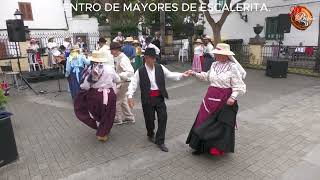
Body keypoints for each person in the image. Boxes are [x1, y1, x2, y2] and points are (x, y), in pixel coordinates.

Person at [186, 43, 246, 156]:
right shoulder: (214, 65)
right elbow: (207, 77)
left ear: (226, 55)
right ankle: (200, 146)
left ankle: (216, 147)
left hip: (224, 98)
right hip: (210, 97)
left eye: (219, 54)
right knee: (202, 120)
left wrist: (233, 97)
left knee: (219, 124)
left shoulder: (232, 67)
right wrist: (194, 73)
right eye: (216, 53)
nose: (216, 55)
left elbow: (238, 84)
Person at [127, 48, 190, 152]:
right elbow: (133, 83)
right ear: (146, 58)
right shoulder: (140, 71)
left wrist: (183, 74)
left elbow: (170, 74)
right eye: (152, 58)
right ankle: (150, 133)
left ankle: (160, 141)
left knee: (163, 117)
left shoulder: (160, 67)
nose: (154, 60)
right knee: (149, 119)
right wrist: (130, 96)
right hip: (147, 99)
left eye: (155, 58)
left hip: (159, 98)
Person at [74, 50, 121, 142]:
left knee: (96, 113)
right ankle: (104, 131)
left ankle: (101, 129)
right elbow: (117, 79)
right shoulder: (110, 68)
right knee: (108, 114)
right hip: (109, 94)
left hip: (95, 95)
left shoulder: (89, 70)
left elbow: (85, 86)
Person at [110, 42, 135, 125]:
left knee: (117, 100)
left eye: (112, 50)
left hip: (124, 82)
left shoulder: (123, 58)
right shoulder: (119, 57)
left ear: (116, 50)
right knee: (122, 100)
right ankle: (129, 117)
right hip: (123, 81)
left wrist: (118, 76)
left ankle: (118, 119)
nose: (111, 52)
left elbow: (130, 71)